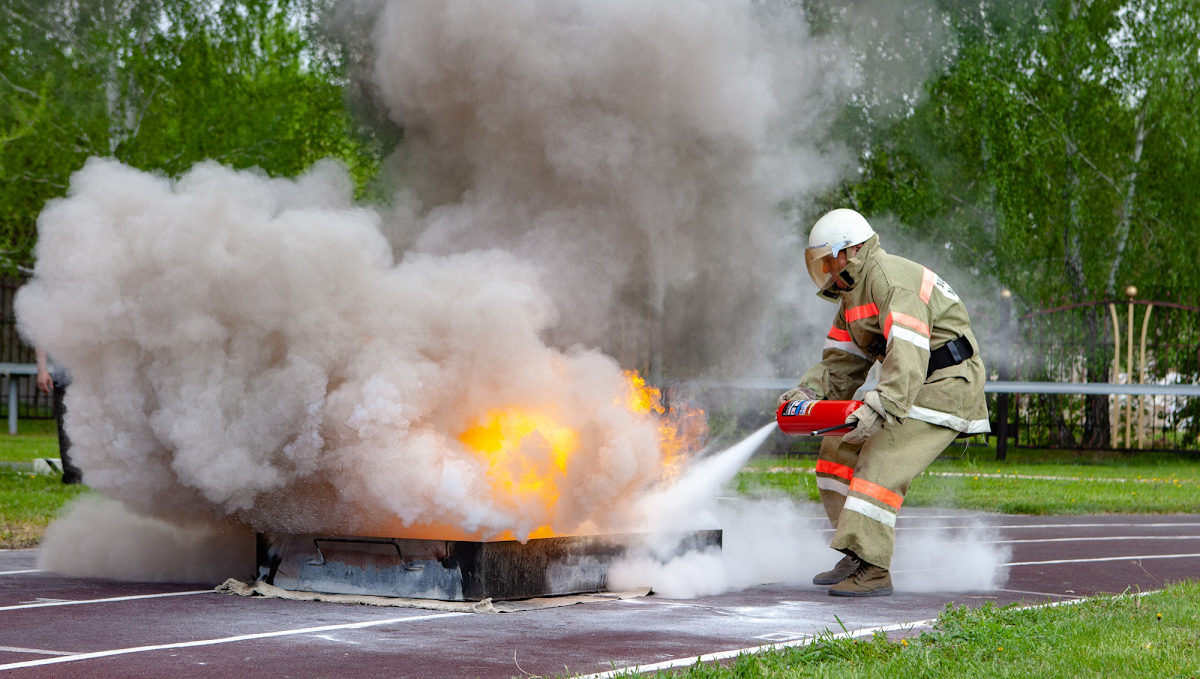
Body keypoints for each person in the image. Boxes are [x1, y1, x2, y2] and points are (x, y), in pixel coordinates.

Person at [779, 209, 988, 597]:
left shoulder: (890, 280)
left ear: (851, 250)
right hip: (913, 382)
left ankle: (874, 569)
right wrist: (807, 395)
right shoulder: (853, 297)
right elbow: (841, 365)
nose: (824, 267)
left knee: (879, 458)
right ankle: (857, 551)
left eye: (828, 257)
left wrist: (883, 404)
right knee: (835, 448)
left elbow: (907, 354)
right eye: (819, 260)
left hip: (946, 384)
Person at [35, 348, 81, 484]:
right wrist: (42, 370)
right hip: (64, 377)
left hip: (92, 375)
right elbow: (41, 337)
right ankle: (73, 476)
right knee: (66, 427)